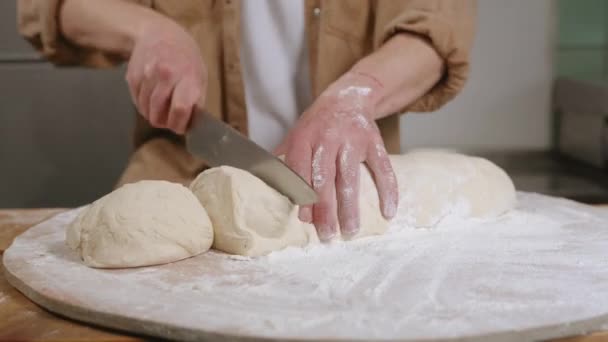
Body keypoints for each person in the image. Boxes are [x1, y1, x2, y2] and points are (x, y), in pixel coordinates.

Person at [18, 0, 476, 241]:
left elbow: (436, 28)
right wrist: (148, 30)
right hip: (178, 180)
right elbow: (49, 9)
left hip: (343, 192)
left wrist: (355, 94)